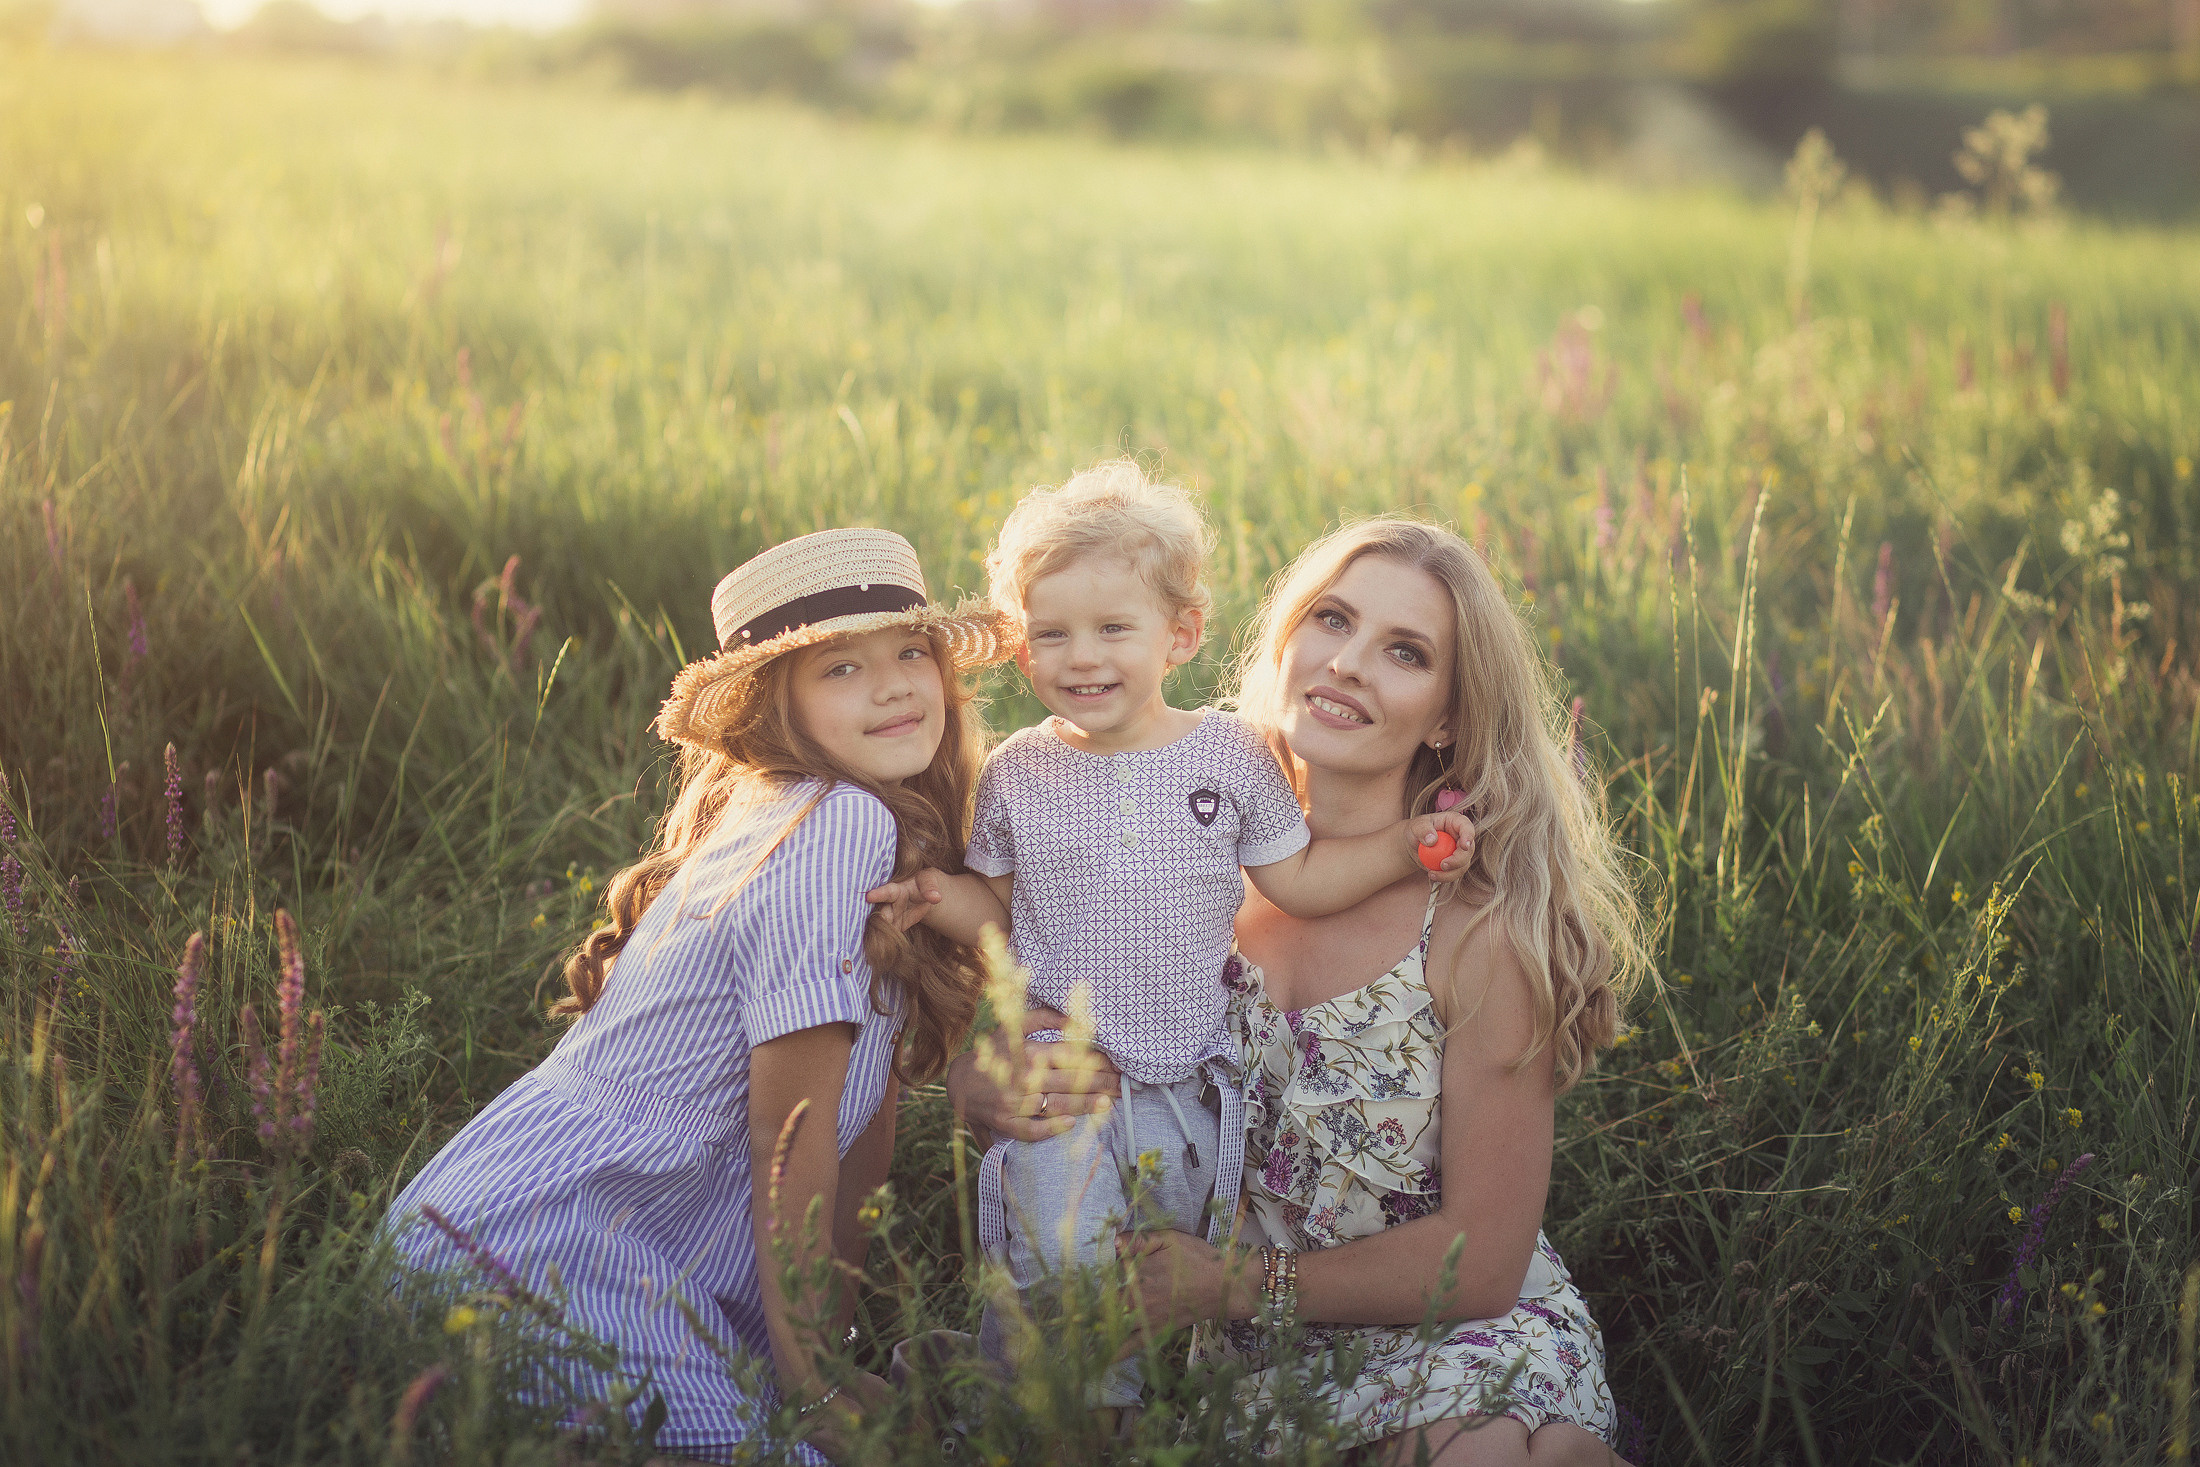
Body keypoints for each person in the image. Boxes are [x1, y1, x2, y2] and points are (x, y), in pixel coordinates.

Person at [947, 516, 1647, 1465]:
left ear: (1447, 714)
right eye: (1331, 619)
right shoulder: (1177, 866)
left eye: (1405, 651)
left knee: (1501, 1455)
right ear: (1283, 643)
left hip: (1435, 1325)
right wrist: (980, 1084)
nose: (1351, 662)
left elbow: (1482, 1261)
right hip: (1212, 1344)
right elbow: (1029, 1016)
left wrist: (1239, 1283)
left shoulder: (1475, 933)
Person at [387, 528, 1010, 1466]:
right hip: (533, 1248)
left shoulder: (847, 826)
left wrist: (822, 1359)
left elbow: (860, 1132)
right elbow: (791, 1130)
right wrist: (817, 1385)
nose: (893, 686)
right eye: (841, 667)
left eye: (910, 652)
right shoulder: (831, 822)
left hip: (553, 1239)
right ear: (777, 708)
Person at [867, 464, 1472, 1419]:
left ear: (1179, 635)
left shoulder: (1231, 755)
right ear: (1022, 646)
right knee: (1059, 1252)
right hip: (1064, 1055)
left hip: (1192, 1077)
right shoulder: (1020, 772)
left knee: (1141, 1267)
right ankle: (1069, 1420)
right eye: (1051, 633)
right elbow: (1001, 916)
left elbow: (1301, 879)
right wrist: (939, 894)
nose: (1083, 656)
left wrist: (1406, 848)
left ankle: (1076, 1401)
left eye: (1114, 628)